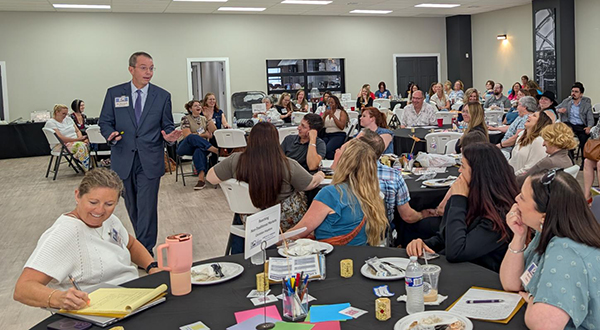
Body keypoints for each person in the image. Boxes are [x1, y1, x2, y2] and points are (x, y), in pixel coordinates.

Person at [13, 168, 159, 310]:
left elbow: (131, 244)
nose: (100, 210)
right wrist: (58, 298)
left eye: (109, 204)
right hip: (97, 308)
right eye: (93, 202)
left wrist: (152, 267)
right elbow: (23, 289)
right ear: (77, 195)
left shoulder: (111, 220)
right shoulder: (63, 234)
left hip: (132, 297)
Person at [99, 51, 181, 254]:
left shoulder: (162, 96)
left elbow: (167, 126)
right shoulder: (114, 93)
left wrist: (169, 136)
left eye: (152, 68)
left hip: (150, 158)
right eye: (144, 68)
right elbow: (105, 122)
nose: (149, 72)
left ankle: (145, 249)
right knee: (132, 205)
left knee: (147, 206)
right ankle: (141, 244)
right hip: (123, 157)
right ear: (131, 69)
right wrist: (110, 134)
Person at [499, 169, 600, 329]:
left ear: (544, 216)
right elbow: (511, 283)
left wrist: (532, 298)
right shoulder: (550, 231)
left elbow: (544, 324)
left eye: (523, 198)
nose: (516, 199)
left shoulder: (566, 252)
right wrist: (519, 236)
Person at [406, 143, 518, 271]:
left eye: (463, 167)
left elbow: (457, 251)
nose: (459, 171)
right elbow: (445, 237)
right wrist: (423, 244)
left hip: (482, 279)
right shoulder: (474, 199)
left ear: (478, 173)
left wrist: (458, 199)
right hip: (459, 271)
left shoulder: (499, 215)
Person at [207, 122, 324, 233]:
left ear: (250, 139)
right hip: (283, 222)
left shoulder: (235, 160)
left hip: (250, 219)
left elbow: (210, 178)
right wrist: (320, 175)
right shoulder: (288, 164)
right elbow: (310, 184)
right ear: (276, 141)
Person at [286, 138, 388, 246]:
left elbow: (297, 233)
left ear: (345, 160)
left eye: (340, 149)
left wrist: (274, 240)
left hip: (332, 257)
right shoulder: (372, 194)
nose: (336, 151)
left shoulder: (331, 194)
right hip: (360, 256)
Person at [355, 130, 429, 243]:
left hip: (350, 233)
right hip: (380, 235)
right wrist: (422, 214)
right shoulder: (393, 176)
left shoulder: (347, 174)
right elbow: (407, 216)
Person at [176, 100, 219, 190]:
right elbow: (187, 135)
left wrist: (209, 118)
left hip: (201, 146)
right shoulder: (185, 118)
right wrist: (204, 135)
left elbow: (214, 131)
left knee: (199, 150)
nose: (198, 107)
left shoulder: (204, 119)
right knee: (192, 137)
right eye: (195, 106)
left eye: (199, 105)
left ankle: (201, 180)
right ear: (190, 109)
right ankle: (214, 150)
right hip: (185, 146)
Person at [45, 104, 90, 170]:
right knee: (81, 146)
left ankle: (89, 164)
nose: (65, 115)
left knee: (91, 143)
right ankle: (86, 168)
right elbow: (60, 138)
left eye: (66, 113)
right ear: (57, 112)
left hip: (74, 141)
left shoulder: (68, 119)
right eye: (63, 113)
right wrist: (77, 139)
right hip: (61, 145)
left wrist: (80, 138)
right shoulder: (51, 123)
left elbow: (77, 131)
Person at [509, 111, 552, 176]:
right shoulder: (521, 136)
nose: (529, 116)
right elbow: (512, 160)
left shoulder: (539, 141)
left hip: (521, 179)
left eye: (534, 115)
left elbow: (531, 168)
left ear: (540, 123)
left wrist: (511, 176)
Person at [557, 82, 594, 158]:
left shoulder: (586, 104)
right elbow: (555, 108)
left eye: (576, 92)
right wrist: (559, 110)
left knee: (584, 139)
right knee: (567, 135)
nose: (573, 93)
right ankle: (570, 159)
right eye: (572, 91)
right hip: (570, 125)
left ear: (581, 94)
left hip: (581, 126)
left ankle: (584, 162)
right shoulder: (567, 101)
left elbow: (590, 118)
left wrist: (589, 127)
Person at [322, 95, 348, 160]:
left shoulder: (341, 112)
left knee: (328, 149)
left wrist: (333, 116)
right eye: (328, 103)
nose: (330, 104)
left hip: (338, 134)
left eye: (332, 102)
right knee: (322, 148)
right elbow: (321, 125)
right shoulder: (326, 113)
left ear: (336, 103)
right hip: (327, 135)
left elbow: (341, 126)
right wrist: (325, 115)